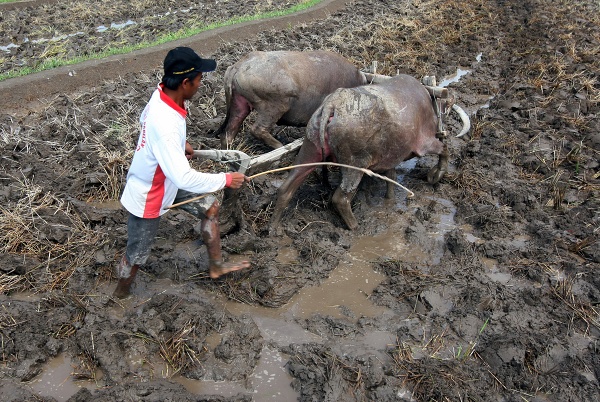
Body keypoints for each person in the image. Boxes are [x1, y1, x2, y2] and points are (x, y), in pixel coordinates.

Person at [113, 46, 250, 299]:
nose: (200, 84)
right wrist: (227, 179)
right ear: (185, 82)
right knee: (136, 256)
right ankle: (118, 298)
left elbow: (146, 122)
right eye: (199, 79)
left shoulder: (162, 94)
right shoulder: (166, 124)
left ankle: (217, 266)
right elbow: (184, 177)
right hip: (150, 194)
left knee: (210, 207)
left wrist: (177, 146)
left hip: (166, 178)